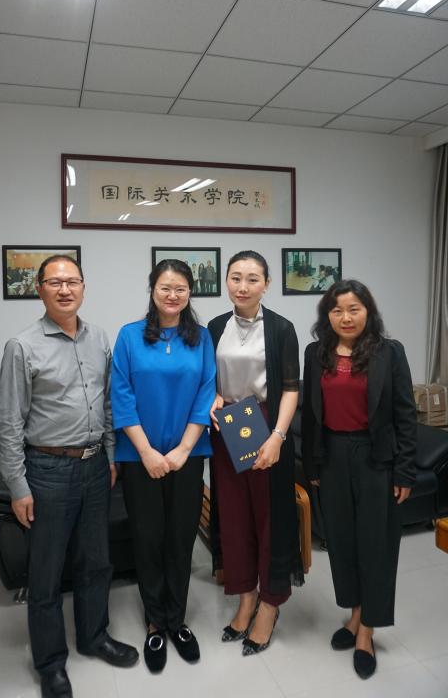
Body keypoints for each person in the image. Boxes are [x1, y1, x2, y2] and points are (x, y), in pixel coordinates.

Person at [0, 255, 138, 698]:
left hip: (95, 466)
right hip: (47, 471)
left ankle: (94, 636)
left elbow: (108, 402)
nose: (64, 289)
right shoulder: (22, 346)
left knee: (96, 562)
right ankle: (51, 663)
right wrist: (18, 486)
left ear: (83, 287)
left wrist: (110, 456)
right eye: (54, 282)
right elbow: (8, 423)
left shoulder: (99, 339)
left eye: (72, 281)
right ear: (39, 289)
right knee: (47, 573)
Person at [301, 279, 417, 680]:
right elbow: (311, 415)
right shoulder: (316, 353)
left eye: (354, 309)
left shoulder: (389, 352)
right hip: (332, 457)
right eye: (337, 310)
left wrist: (404, 470)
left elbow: (405, 414)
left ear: (368, 311)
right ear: (327, 316)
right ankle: (354, 614)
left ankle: (367, 629)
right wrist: (312, 466)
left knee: (375, 545)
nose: (346, 317)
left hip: (375, 458)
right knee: (343, 542)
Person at [111, 259, 216, 673]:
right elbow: (121, 395)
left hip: (187, 456)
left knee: (180, 538)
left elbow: (206, 393)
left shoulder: (201, 338)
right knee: (148, 537)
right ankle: (155, 621)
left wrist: (184, 449)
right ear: (152, 290)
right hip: (140, 458)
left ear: (190, 293)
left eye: (180, 289)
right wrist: (147, 453)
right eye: (165, 288)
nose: (172, 295)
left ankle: (177, 619)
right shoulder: (129, 336)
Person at [208, 250, 303, 656]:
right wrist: (213, 396)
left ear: (267, 284)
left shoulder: (281, 328)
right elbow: (209, 378)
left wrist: (278, 436)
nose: (242, 286)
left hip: (266, 425)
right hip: (227, 426)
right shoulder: (215, 326)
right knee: (233, 518)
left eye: (252, 279)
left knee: (270, 519)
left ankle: (269, 604)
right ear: (226, 281)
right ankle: (245, 598)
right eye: (235, 278)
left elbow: (291, 388)